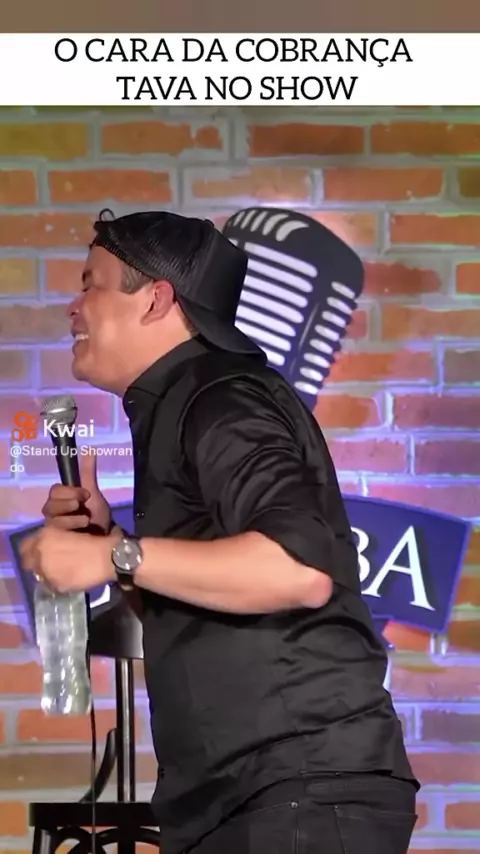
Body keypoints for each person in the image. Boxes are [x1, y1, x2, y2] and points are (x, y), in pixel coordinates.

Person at [20, 210, 419, 854]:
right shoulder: (181, 403)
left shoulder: (222, 398)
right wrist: (109, 542)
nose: (73, 307)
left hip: (294, 788)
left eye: (91, 284)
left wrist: (118, 555)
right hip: (246, 798)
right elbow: (205, 605)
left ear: (156, 300)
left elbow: (298, 570)